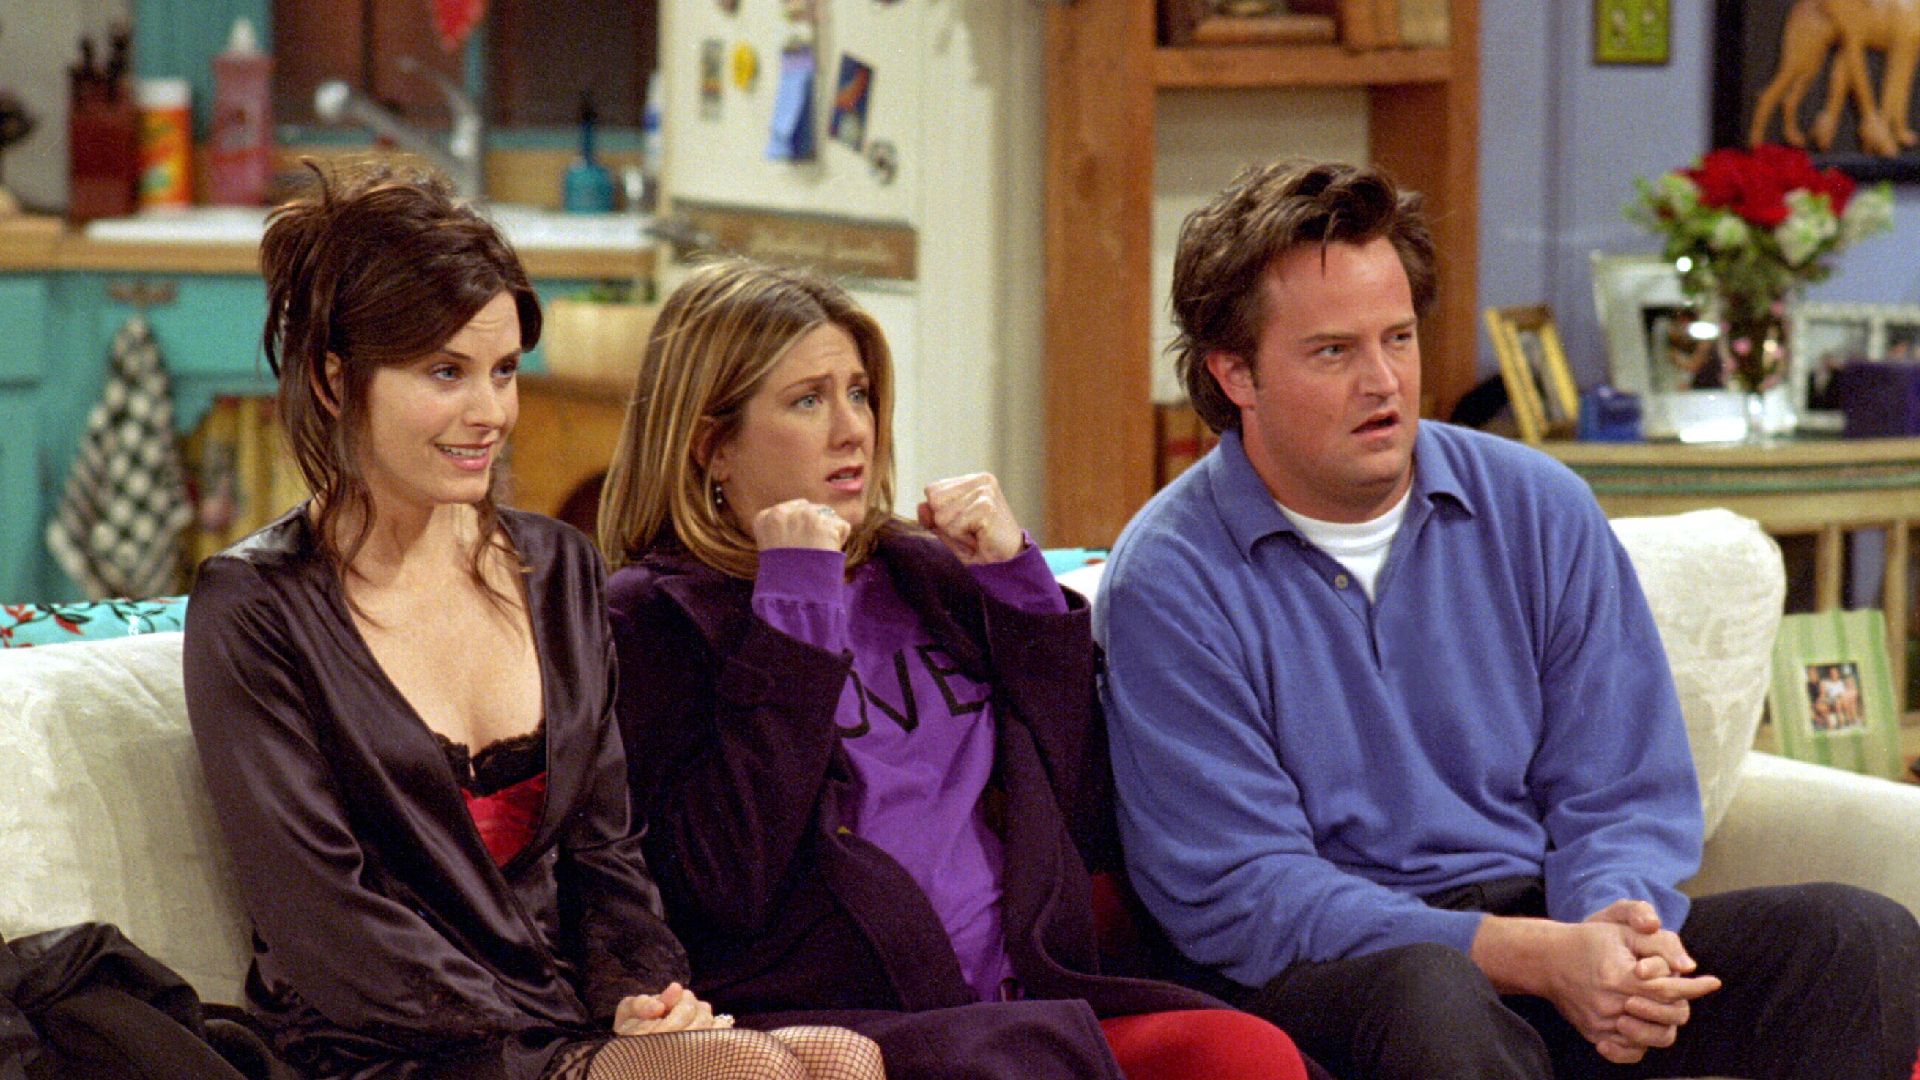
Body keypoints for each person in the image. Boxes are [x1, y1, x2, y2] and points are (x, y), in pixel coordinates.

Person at [1096, 158, 1920, 1080]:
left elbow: (1620, 789)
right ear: (1235, 373)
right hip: (1333, 974)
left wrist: (1616, 933)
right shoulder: (1169, 578)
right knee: (1434, 992)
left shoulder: (1537, 506)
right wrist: (1528, 956)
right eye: (1334, 352)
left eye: (1399, 338)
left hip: (1549, 925)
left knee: (1857, 940)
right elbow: (1246, 892)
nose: (1384, 381)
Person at [182, 165, 883, 1080]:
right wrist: (555, 1041)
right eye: (446, 373)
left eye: (504, 372)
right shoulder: (255, 607)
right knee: (751, 1072)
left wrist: (641, 994)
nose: (489, 414)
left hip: (560, 1024)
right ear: (332, 379)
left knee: (845, 1057)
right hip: (389, 1046)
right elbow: (324, 918)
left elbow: (606, 853)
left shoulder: (558, 569)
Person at [597, 257, 1313, 1080]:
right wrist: (796, 608)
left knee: (1248, 1053)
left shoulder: (920, 569)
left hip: (1033, 997)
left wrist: (1020, 589)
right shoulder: (649, 616)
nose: (852, 429)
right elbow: (726, 885)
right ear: (711, 446)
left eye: (859, 393)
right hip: (850, 1030)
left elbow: (1083, 799)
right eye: (808, 401)